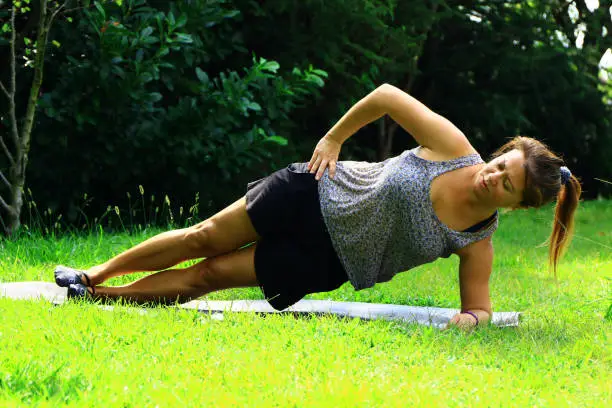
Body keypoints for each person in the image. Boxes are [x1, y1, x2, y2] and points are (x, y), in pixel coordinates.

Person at [54, 83, 581, 329]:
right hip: (315, 191)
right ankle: (92, 274)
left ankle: (104, 299)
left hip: (326, 261)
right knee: (202, 238)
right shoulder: (452, 148)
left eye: (506, 185)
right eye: (501, 165)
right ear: (501, 153)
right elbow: (387, 96)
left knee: (208, 276)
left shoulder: (476, 241)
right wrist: (332, 139)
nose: (493, 178)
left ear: (516, 204)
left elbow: (479, 309)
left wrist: (472, 323)